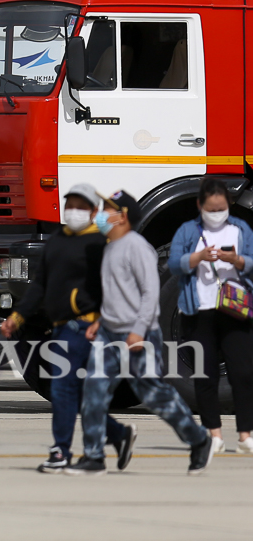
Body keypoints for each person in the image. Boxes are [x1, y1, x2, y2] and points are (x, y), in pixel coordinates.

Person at [75, 190, 213, 475]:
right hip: (111, 333)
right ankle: (93, 455)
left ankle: (199, 439)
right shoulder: (110, 246)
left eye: (108, 209)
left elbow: (150, 293)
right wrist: (100, 320)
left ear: (123, 216)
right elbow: (116, 293)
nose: (100, 215)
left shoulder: (137, 247)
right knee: (93, 390)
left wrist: (138, 332)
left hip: (139, 335)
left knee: (154, 395)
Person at [0, 183, 129, 473]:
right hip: (59, 327)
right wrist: (17, 317)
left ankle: (61, 451)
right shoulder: (57, 242)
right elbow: (39, 286)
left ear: (94, 211)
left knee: (62, 387)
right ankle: (118, 434)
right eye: (69, 204)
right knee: (79, 393)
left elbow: (113, 286)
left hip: (86, 326)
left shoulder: (100, 244)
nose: (74, 211)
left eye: (81, 206)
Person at [166, 175, 253, 454]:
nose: (216, 214)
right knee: (205, 376)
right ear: (200, 205)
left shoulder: (240, 229)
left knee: (242, 374)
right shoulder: (187, 231)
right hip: (199, 311)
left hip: (234, 312)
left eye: (221, 209)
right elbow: (175, 264)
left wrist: (236, 260)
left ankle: (245, 435)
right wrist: (198, 257)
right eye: (211, 209)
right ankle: (214, 434)